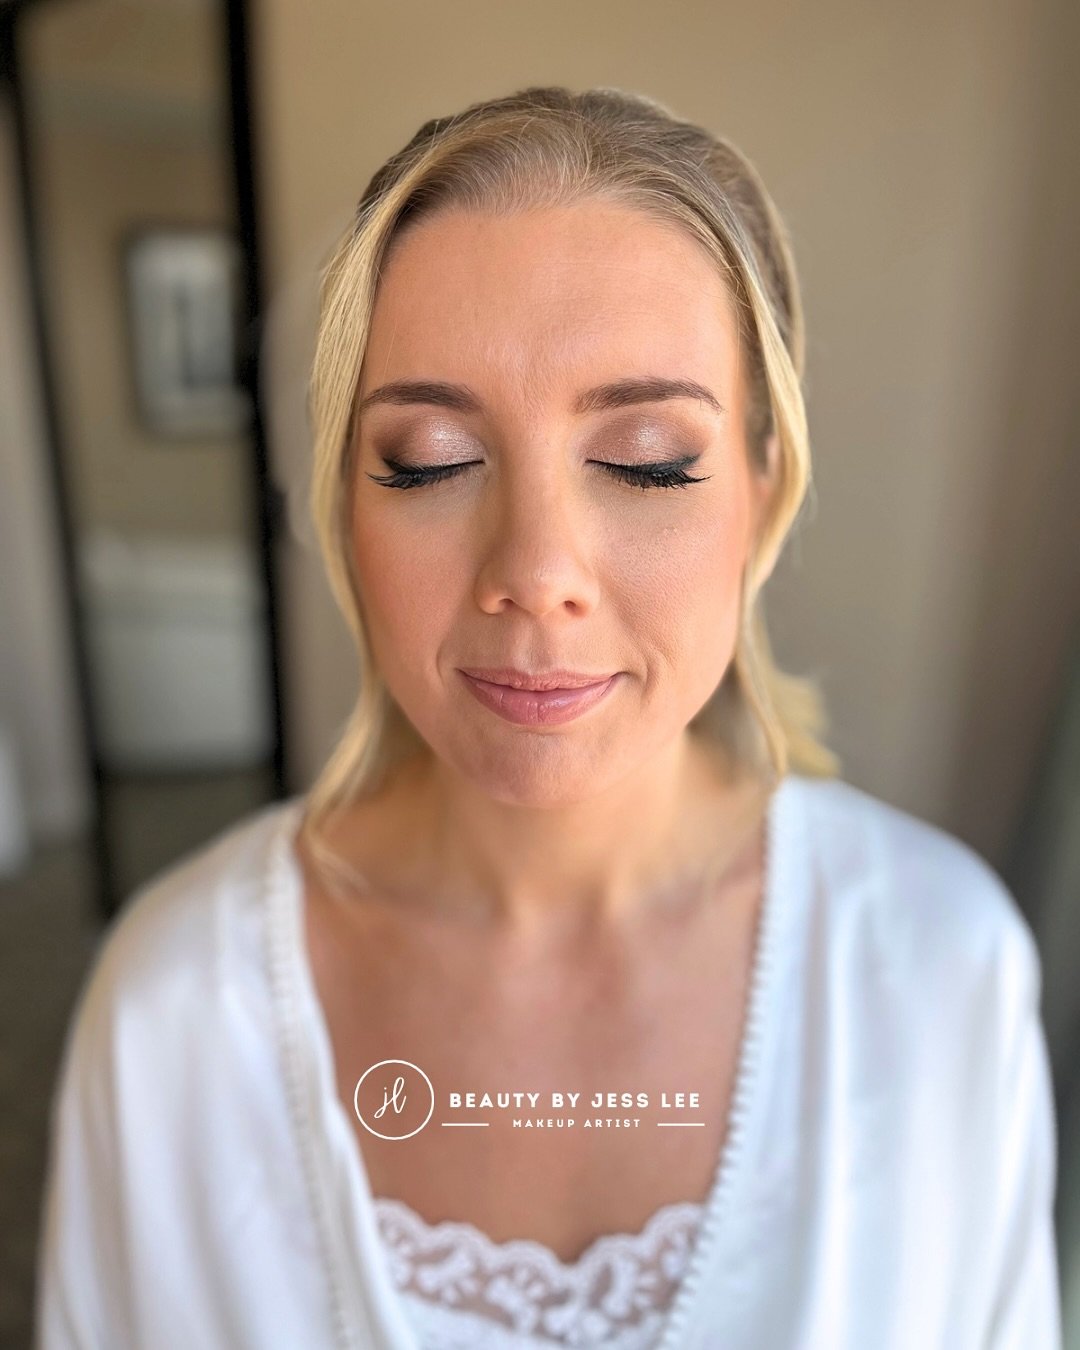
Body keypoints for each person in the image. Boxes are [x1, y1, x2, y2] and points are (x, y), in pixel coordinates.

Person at [35, 85, 1061, 1350]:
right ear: (347, 504)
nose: (535, 570)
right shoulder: (171, 1006)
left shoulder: (941, 966)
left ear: (762, 486)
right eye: (429, 458)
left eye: (644, 458)